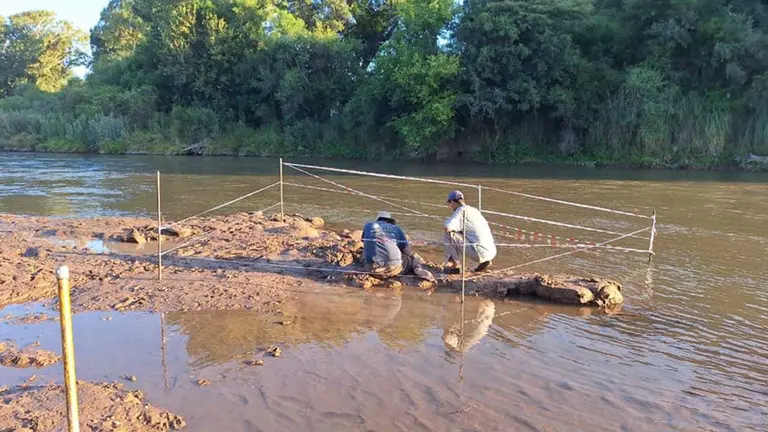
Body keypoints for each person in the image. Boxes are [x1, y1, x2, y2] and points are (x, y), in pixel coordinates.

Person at [362, 211, 435, 281]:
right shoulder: (396, 228)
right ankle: (418, 269)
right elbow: (407, 252)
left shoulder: (369, 225)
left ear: (378, 219)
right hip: (393, 268)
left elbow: (363, 241)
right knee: (410, 258)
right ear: (390, 221)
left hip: (372, 270)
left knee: (364, 255)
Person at [443, 190, 496, 273]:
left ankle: (454, 266)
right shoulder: (474, 210)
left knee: (449, 234)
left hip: (479, 253)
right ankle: (485, 262)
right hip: (491, 252)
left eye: (449, 203)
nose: (450, 206)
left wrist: (446, 221)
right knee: (466, 234)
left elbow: (447, 227)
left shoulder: (460, 211)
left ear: (453, 201)